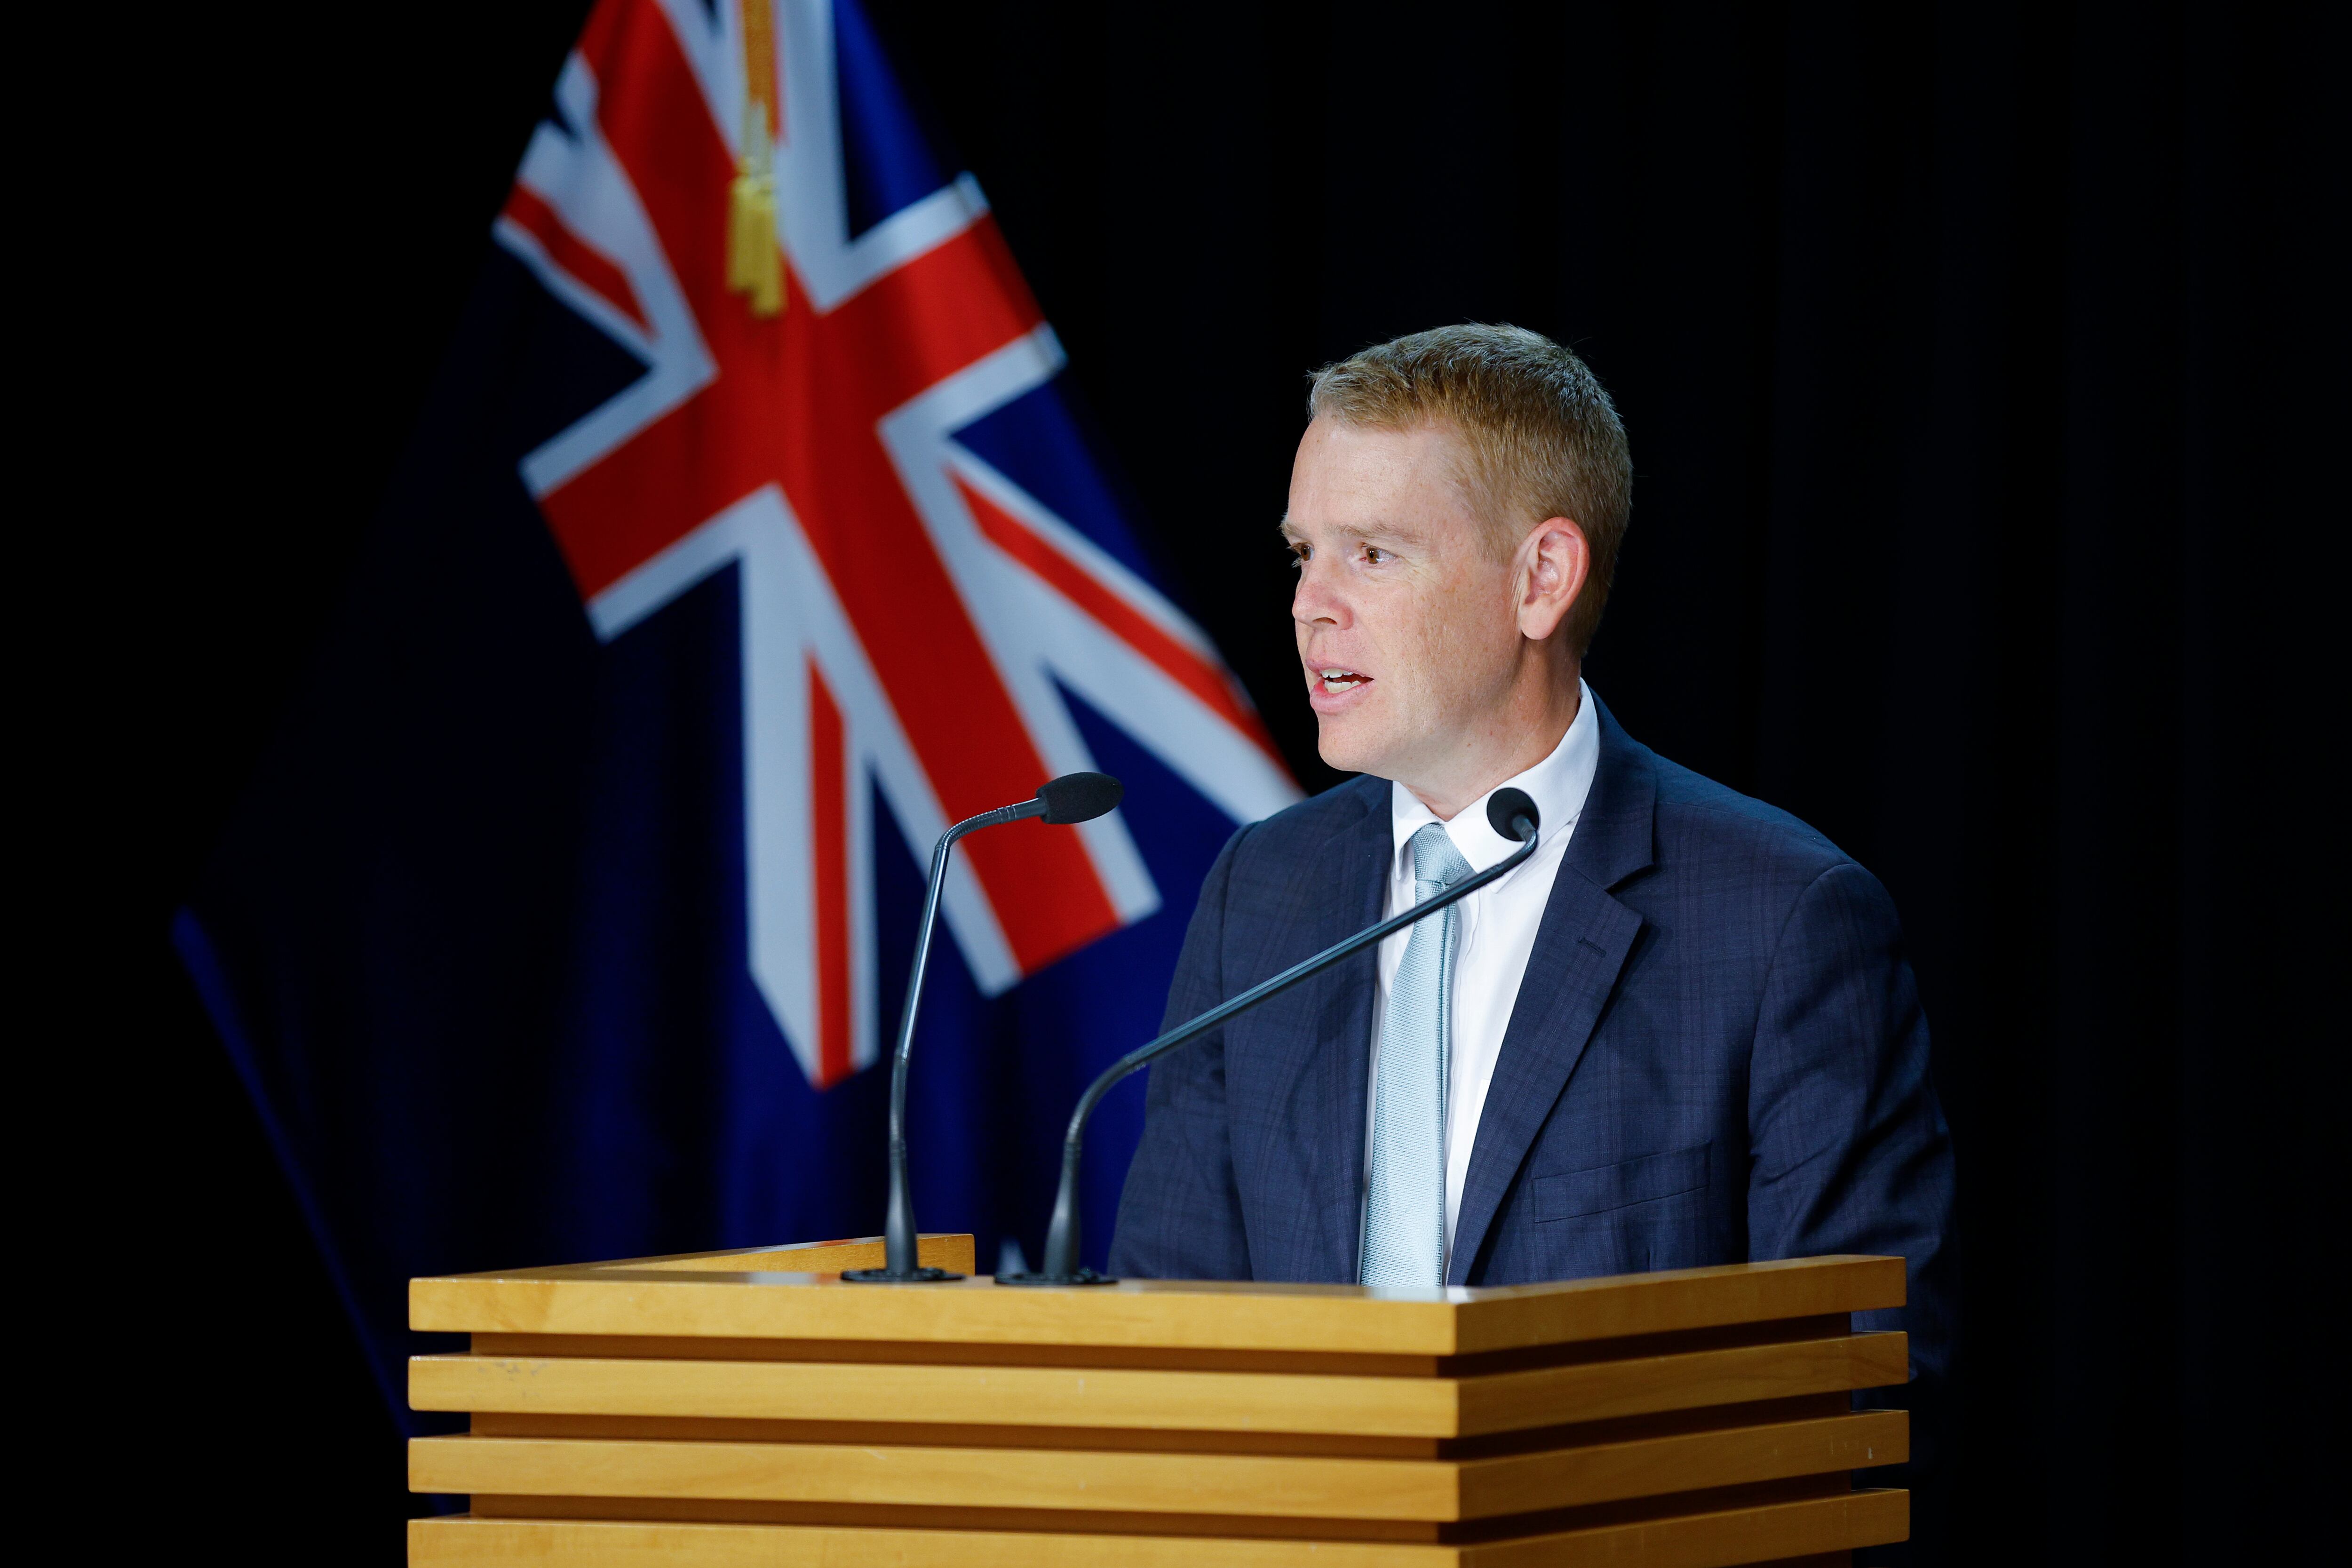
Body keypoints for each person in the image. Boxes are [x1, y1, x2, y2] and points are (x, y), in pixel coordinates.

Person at [1108, 325, 1953, 1524]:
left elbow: (1862, 1379)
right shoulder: (1266, 890)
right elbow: (1168, 1318)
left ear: (1540, 580)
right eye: (1304, 554)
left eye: (1373, 553)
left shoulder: (1780, 920)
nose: (1309, 607)